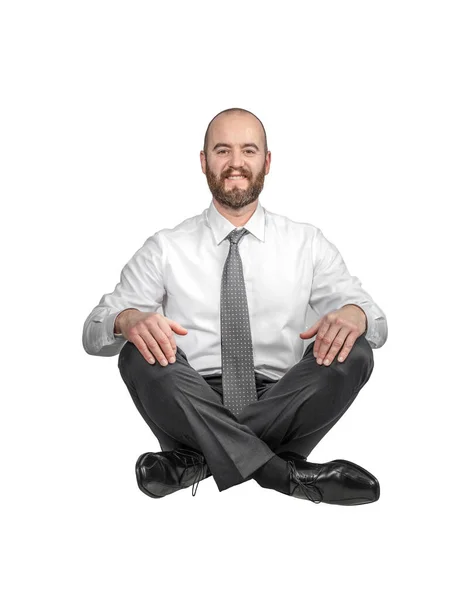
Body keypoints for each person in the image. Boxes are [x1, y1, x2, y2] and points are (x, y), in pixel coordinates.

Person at [82, 107, 388, 505]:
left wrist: (355, 314)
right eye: (223, 151)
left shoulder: (307, 243)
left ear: (267, 161)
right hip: (192, 396)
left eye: (249, 150)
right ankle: (282, 473)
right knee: (136, 355)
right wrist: (127, 319)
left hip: (285, 397)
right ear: (204, 161)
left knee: (356, 351)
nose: (236, 163)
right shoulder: (165, 247)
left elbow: (377, 325)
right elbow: (93, 333)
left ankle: (195, 461)